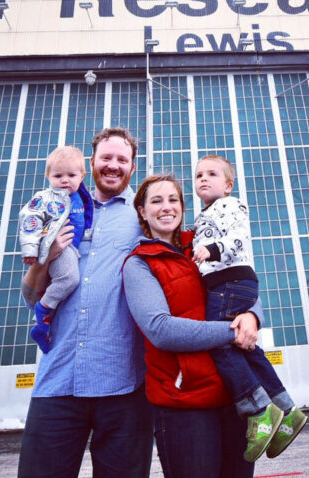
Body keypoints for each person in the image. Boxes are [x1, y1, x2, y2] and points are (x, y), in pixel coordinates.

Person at [17, 128, 155, 478]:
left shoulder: (144, 220)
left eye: (122, 160)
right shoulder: (56, 209)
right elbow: (31, 296)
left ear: (132, 168)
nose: (113, 166)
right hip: (59, 380)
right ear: (92, 163)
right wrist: (49, 258)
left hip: (124, 386)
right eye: (106, 158)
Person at [122, 173, 273, 478]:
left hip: (235, 395)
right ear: (142, 211)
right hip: (185, 404)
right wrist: (232, 332)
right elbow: (161, 330)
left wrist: (253, 317)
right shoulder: (139, 264)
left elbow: (242, 283)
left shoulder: (204, 247)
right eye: (156, 201)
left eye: (173, 199)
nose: (166, 207)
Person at [193, 155, 307, 461]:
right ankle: (286, 408)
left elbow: (239, 237)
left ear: (228, 186)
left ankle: (258, 409)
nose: (203, 179)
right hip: (227, 284)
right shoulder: (206, 213)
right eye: (199, 175)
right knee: (246, 349)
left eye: (212, 174)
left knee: (220, 341)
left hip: (230, 282)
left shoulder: (230, 206)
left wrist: (211, 249)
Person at [18, 145, 94, 353]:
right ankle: (42, 310)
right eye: (58, 175)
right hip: (60, 246)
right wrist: (33, 250)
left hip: (73, 246)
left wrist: (88, 231)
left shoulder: (82, 195)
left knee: (68, 280)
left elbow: (87, 214)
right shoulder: (45, 198)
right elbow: (30, 220)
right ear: (48, 176)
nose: (65, 180)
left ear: (82, 176)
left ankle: (44, 327)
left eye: (71, 175)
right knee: (69, 279)